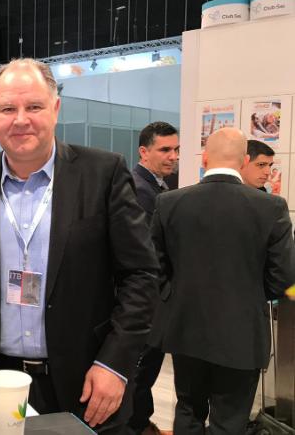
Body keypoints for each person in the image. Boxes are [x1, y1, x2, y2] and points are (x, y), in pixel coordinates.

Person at [0, 58, 159, 433]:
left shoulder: (103, 173)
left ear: (56, 108)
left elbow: (140, 275)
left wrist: (115, 363)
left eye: (34, 106)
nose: (20, 120)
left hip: (87, 379)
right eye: (7, 109)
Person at [150, 128, 295, 435]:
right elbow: (284, 277)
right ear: (243, 161)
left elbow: (155, 268)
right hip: (242, 333)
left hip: (186, 330)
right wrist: (252, 297)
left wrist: (177, 297)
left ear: (204, 158)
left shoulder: (169, 202)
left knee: (187, 410)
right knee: (230, 420)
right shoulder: (271, 207)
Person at [128, 121, 179, 435]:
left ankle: (140, 421)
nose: (173, 156)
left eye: (176, 149)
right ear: (144, 152)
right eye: (165, 150)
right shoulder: (140, 190)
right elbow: (146, 252)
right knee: (140, 369)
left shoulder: (159, 187)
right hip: (145, 300)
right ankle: (134, 426)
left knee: (147, 368)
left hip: (154, 298)